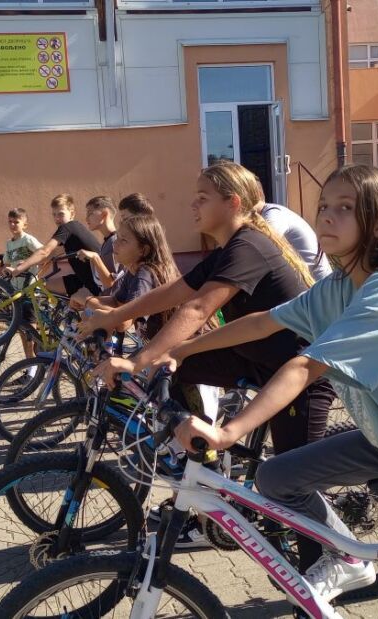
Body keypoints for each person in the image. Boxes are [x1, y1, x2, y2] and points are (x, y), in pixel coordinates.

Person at [172, 164, 378, 615]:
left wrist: (228, 432)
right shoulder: (341, 286)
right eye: (324, 204)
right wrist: (181, 350)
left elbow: (305, 366)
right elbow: (263, 322)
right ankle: (347, 557)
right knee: (276, 478)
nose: (326, 215)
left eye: (345, 208)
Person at [81, 161, 335, 554]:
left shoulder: (249, 246)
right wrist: (115, 317)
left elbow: (198, 308)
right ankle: (204, 460)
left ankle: (327, 567)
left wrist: (137, 360)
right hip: (259, 362)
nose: (193, 205)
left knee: (293, 489)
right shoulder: (229, 248)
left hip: (301, 375)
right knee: (179, 369)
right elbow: (174, 291)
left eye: (203, 197)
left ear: (232, 203)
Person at [70, 214, 179, 342]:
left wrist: (87, 300)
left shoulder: (145, 275)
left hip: (176, 349)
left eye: (124, 240)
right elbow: (117, 302)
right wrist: (88, 301)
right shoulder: (132, 270)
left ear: (143, 250)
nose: (115, 244)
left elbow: (124, 322)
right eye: (117, 238)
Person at [3, 193, 101, 296]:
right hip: (84, 278)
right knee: (42, 286)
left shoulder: (68, 227)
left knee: (40, 288)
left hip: (97, 282)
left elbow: (45, 252)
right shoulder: (73, 230)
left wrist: (18, 270)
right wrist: (27, 263)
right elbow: (52, 254)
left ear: (72, 213)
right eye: (54, 214)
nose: (57, 218)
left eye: (61, 214)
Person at [254, 181, 333, 281]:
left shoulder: (274, 214)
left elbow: (260, 248)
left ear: (257, 194)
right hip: (309, 282)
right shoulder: (271, 213)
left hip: (317, 284)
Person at [3, 208, 44, 369]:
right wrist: (6, 270)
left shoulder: (28, 240)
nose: (13, 225)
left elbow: (44, 254)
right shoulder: (9, 243)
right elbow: (7, 263)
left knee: (30, 329)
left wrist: (29, 266)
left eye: (16, 222)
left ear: (24, 224)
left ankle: (33, 368)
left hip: (30, 289)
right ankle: (29, 365)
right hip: (16, 290)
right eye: (10, 222)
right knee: (21, 328)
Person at [77, 196, 119, 291]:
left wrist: (95, 257)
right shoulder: (108, 241)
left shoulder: (114, 242)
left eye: (90, 213)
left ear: (104, 214)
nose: (86, 218)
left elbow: (111, 285)